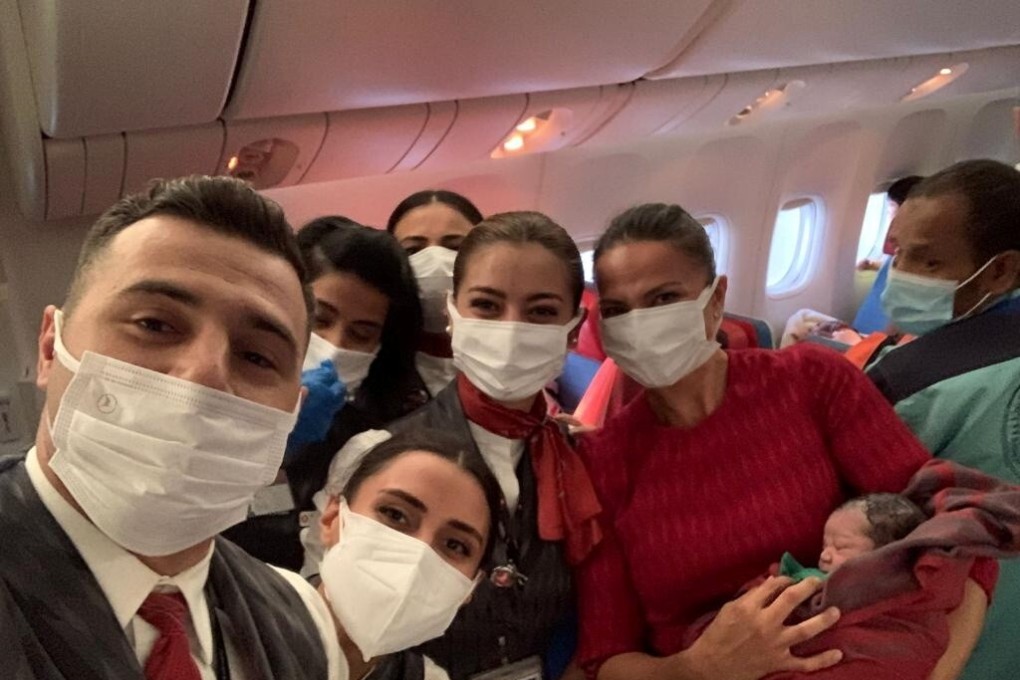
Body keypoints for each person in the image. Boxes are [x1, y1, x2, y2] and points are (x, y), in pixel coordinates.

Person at [575, 203, 991, 680]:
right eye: (616, 310)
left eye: (664, 298)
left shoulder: (811, 382)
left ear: (716, 298)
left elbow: (958, 533)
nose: (639, 324)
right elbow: (606, 659)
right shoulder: (603, 460)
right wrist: (698, 667)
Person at [0, 176, 346, 679]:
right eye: (155, 324)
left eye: (256, 356)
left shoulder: (303, 623)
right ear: (51, 347)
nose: (204, 374)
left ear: (291, 412)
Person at [310, 211, 599, 680]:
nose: (511, 329)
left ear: (573, 327)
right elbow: (329, 618)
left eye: (541, 311)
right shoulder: (379, 452)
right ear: (452, 312)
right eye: (487, 305)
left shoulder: (579, 457)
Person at [867, 158, 1020, 679]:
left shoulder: (910, 382)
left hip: (960, 632)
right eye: (898, 253)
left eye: (927, 262)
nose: (900, 275)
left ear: (1001, 270)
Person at [225, 216, 425, 570]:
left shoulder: (369, 441)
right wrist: (272, 447)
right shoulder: (217, 389)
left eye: (361, 334)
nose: (335, 345)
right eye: (320, 319)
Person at [317, 429, 502, 680]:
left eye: (455, 545)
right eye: (395, 514)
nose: (418, 556)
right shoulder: (248, 616)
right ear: (332, 518)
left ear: (470, 589)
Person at [779, 175, 924, 347]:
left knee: (802, 325)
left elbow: (899, 335)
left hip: (872, 344)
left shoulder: (918, 271)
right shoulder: (898, 253)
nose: (888, 218)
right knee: (803, 318)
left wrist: (857, 342)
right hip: (860, 334)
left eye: (891, 211)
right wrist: (873, 265)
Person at [386, 190, 484, 397]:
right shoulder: (372, 360)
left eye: (455, 247)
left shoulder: (512, 352)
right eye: (413, 250)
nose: (436, 260)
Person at [778, 493, 928, 580]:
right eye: (824, 546)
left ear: (886, 555)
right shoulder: (819, 580)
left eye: (840, 547)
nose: (824, 555)